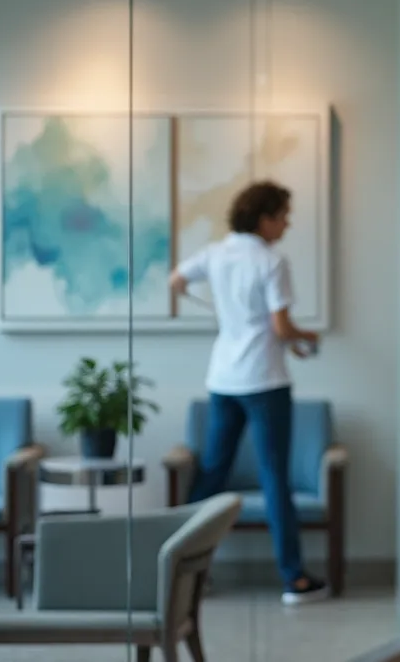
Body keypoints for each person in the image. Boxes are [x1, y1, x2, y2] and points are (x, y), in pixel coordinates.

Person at [169, 180, 326, 606]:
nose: (287, 224)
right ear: (265, 218)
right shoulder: (271, 262)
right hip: (264, 382)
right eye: (284, 215)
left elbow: (175, 279)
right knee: (275, 477)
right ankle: (293, 579)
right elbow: (279, 328)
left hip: (223, 379)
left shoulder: (217, 254)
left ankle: (180, 570)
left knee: (212, 474)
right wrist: (306, 336)